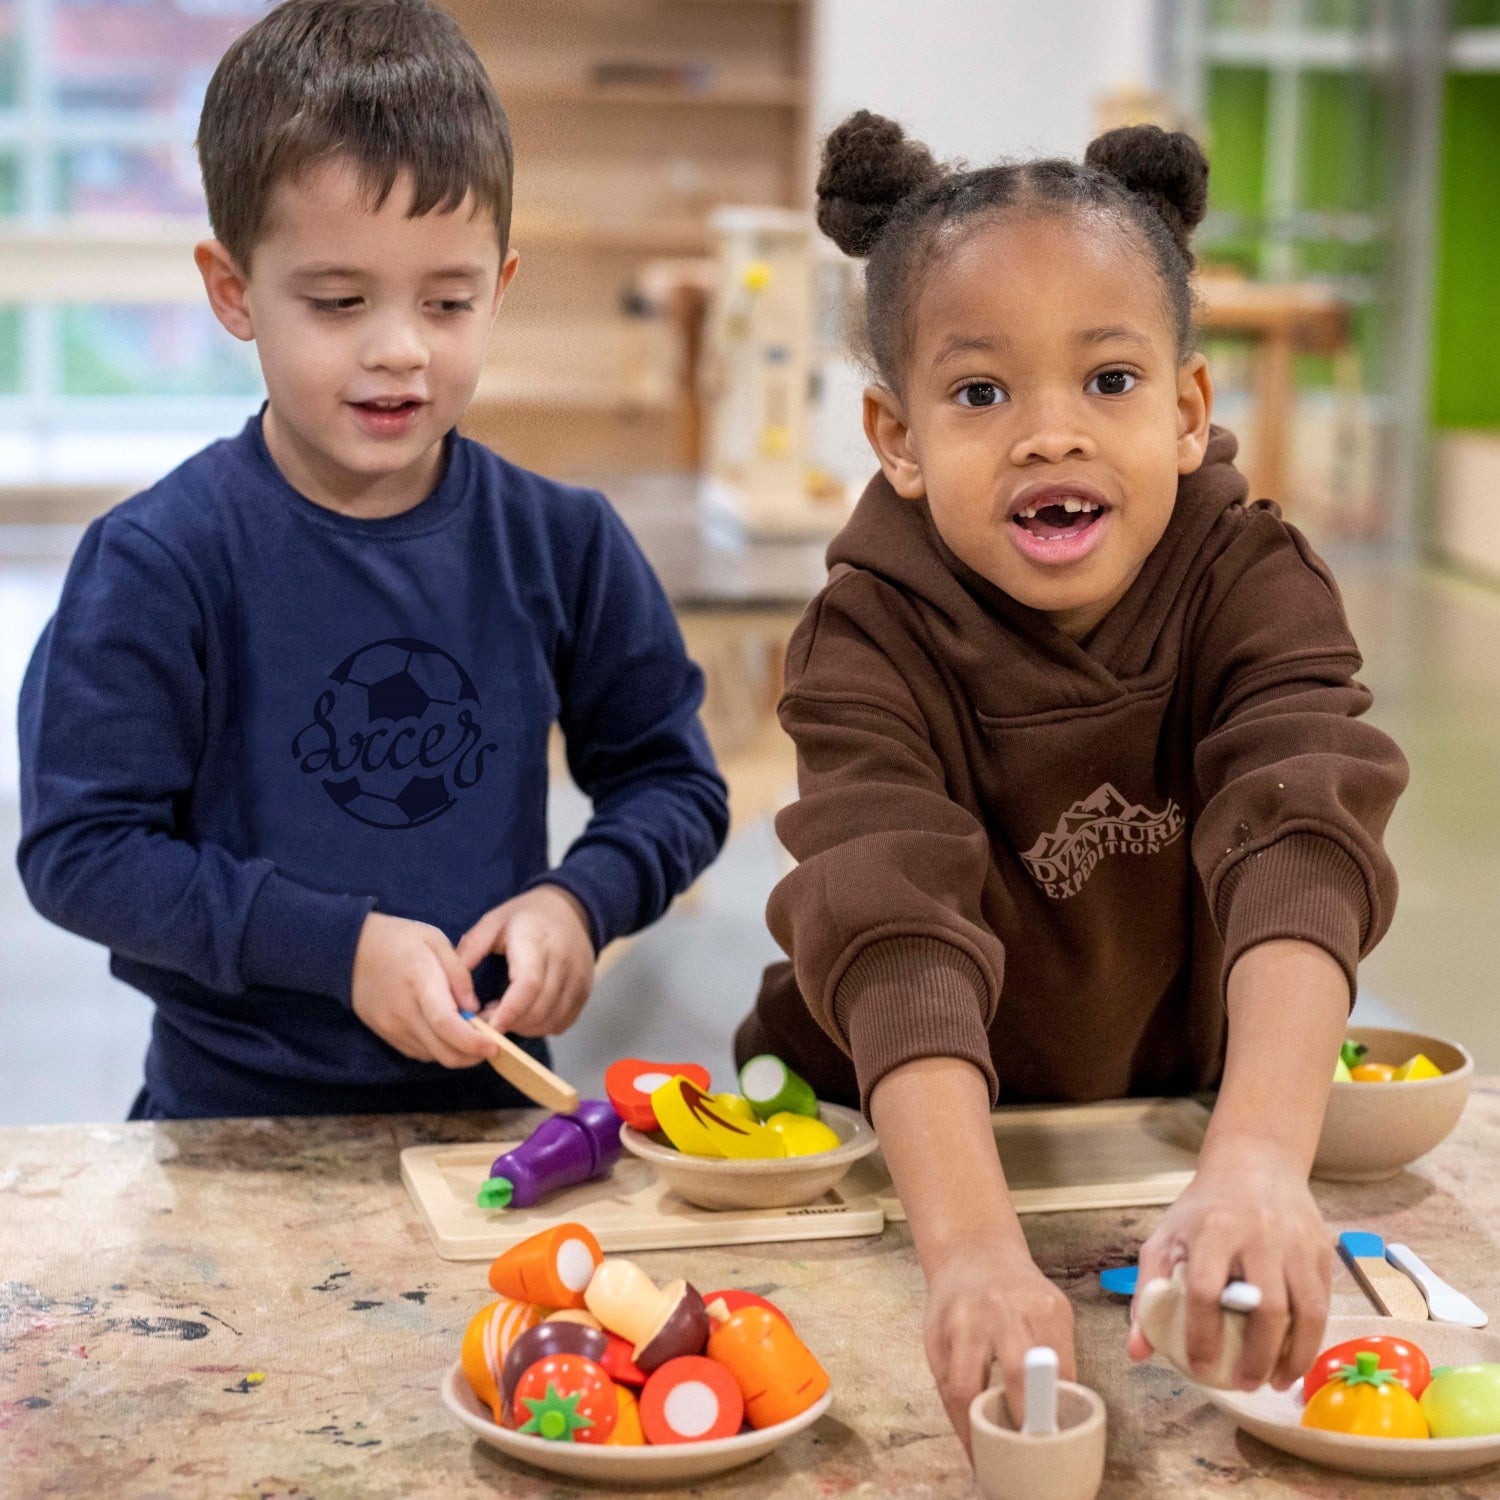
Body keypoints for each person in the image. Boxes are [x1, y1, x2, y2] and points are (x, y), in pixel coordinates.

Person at [735, 111, 1407, 1446]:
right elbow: (891, 923)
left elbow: (1301, 825)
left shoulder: (1251, 577)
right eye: (981, 393)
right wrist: (975, 1252)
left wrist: (1261, 1161)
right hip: (894, 1153)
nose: (1051, 435)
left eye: (1107, 380)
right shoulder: (865, 634)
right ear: (898, 434)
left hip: (1157, 1130)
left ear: (1185, 410)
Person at [17, 0, 728, 1121]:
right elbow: (83, 852)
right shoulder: (159, 562)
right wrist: (335, 948)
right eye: (339, 301)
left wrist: (579, 904)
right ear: (234, 289)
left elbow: (672, 780)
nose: (399, 347)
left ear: (498, 285)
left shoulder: (565, 544)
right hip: (226, 1129)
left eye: (446, 302)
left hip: (489, 1123)